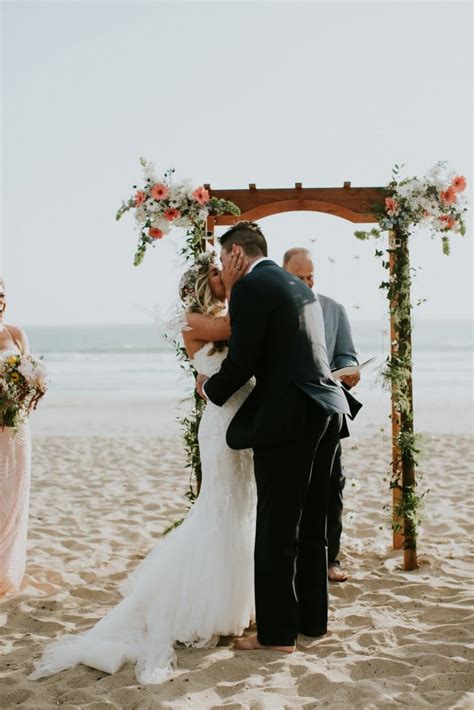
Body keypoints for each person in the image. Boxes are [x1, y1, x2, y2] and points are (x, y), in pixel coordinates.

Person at [30, 252, 258, 684]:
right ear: (200, 284)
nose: (223, 276)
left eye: (222, 269)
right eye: (215, 272)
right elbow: (234, 329)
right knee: (218, 512)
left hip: (242, 424)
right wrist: (243, 283)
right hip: (221, 428)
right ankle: (204, 607)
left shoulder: (225, 313)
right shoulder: (195, 320)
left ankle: (237, 605)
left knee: (243, 510)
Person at [199, 222, 361, 653]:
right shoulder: (296, 285)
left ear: (236, 253)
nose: (221, 267)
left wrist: (208, 391)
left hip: (290, 418)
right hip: (328, 409)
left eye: (223, 259)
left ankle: (275, 635)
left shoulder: (254, 286)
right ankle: (312, 623)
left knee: (276, 525)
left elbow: (243, 360)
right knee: (311, 524)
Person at [283, 247, 359, 582]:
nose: (306, 282)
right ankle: (293, 555)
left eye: (310, 276)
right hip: (287, 413)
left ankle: (331, 559)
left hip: (328, 410)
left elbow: (346, 355)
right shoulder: (274, 309)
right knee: (291, 487)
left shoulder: (333, 309)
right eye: (299, 277)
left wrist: (348, 371)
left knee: (332, 484)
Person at [0, 278, 32, 596]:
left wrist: (34, 389)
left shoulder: (16, 333)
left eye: (3, 295)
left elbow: (31, 373)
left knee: (13, 496)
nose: (0, 300)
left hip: (16, 428)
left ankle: (6, 570)